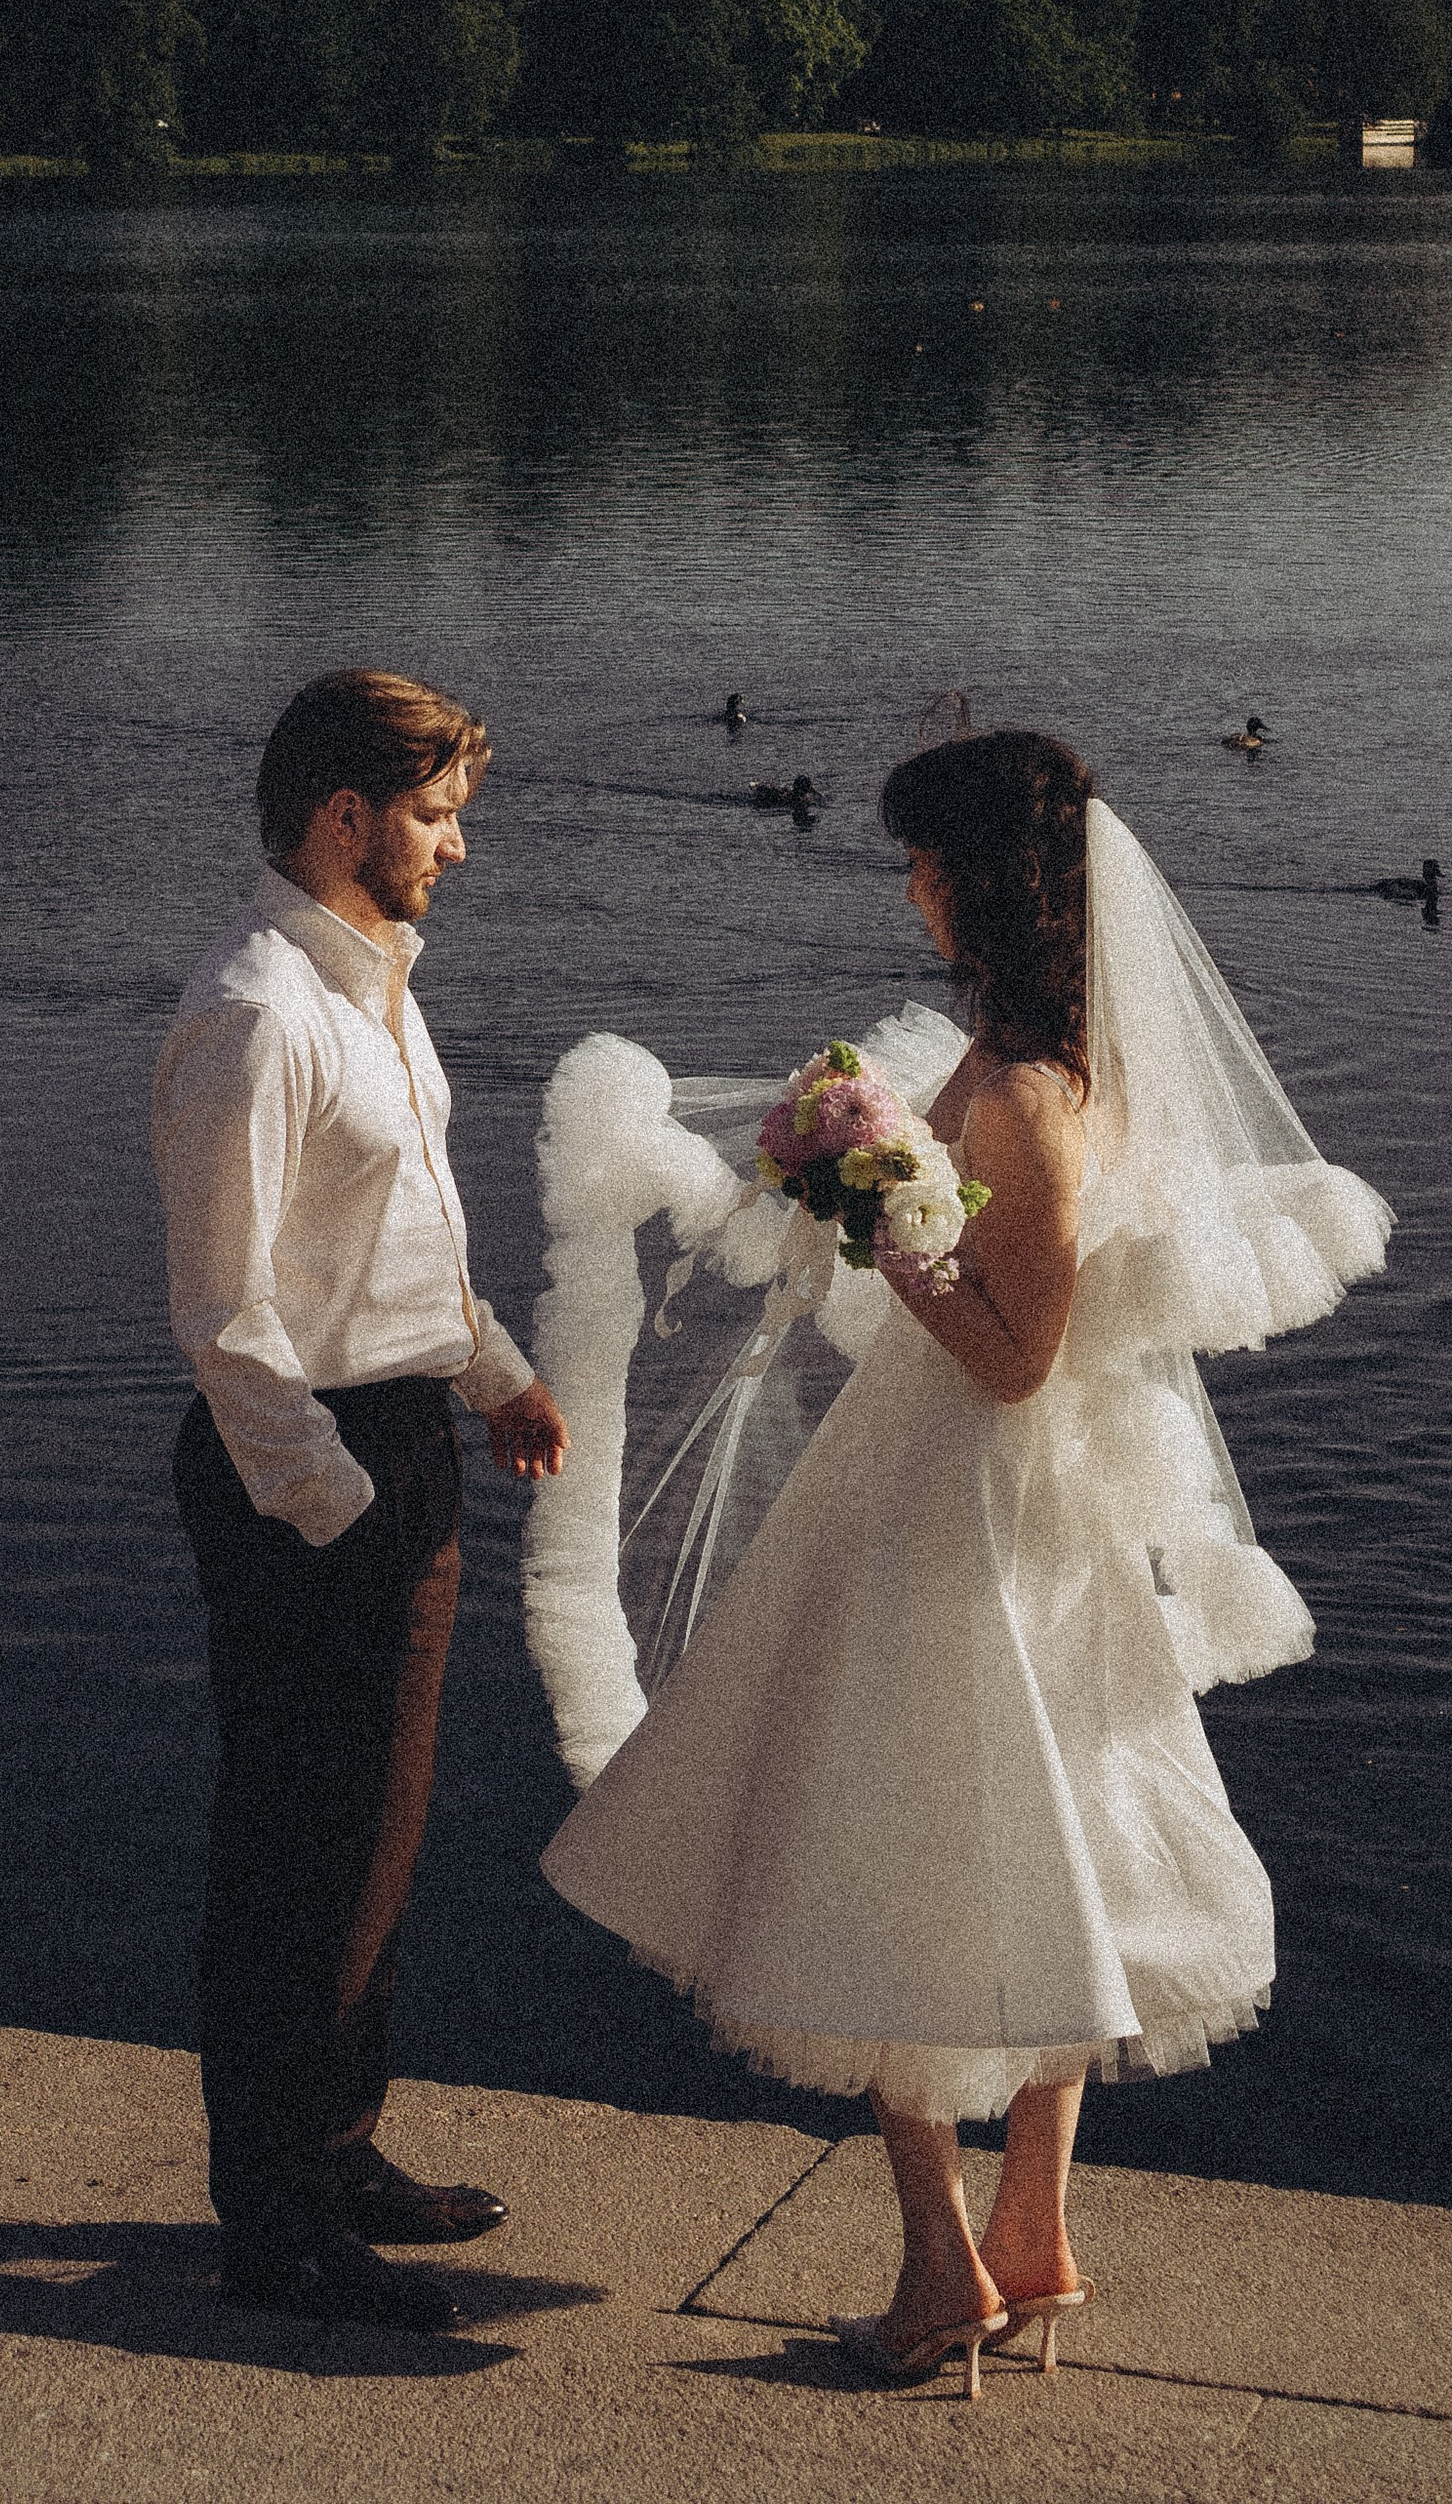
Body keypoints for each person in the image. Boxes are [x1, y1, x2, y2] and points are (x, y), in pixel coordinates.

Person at [534, 730, 1391, 2396]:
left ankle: (942, 2277)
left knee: (885, 1851)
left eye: (925, 860)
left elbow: (1012, 1352)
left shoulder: (1018, 1092)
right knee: (1045, 1838)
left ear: (985, 880)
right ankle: (1032, 2237)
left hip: (961, 1501)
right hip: (1009, 1505)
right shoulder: (1063, 1062)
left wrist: (873, 1214)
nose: (911, 887)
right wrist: (872, 1187)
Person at [156, 668, 571, 2329]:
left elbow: (397, 1248)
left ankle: (335, 2146)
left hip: (394, 1435)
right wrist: (334, 1511)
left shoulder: (375, 990)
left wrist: (497, 1374)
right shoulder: (257, 1013)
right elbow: (228, 1317)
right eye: (439, 812)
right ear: (346, 815)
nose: (459, 846)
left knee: (372, 1846)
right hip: (304, 1470)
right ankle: (275, 2224)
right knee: (295, 1857)